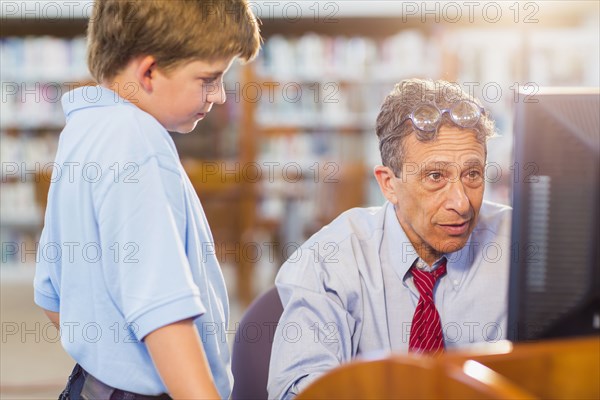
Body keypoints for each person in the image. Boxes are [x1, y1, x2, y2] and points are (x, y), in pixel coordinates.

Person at [33, 1, 260, 399]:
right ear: (150, 71)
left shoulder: (83, 129)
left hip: (91, 386)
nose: (221, 96)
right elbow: (165, 317)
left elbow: (52, 295)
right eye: (209, 78)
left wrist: (113, 358)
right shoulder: (138, 142)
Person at [267, 79, 512, 399]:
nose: (462, 203)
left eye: (472, 174)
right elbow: (297, 392)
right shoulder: (332, 258)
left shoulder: (518, 242)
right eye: (435, 177)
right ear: (388, 184)